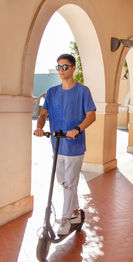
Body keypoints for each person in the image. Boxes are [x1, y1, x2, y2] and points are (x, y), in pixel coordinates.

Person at [34, 53, 96, 235]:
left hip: (74, 147)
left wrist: (77, 129)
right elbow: (43, 114)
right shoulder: (52, 92)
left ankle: (66, 219)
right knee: (64, 182)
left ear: (73, 68)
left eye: (65, 67)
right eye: (59, 67)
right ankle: (76, 213)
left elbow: (91, 115)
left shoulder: (83, 91)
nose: (61, 70)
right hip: (57, 144)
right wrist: (39, 127)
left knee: (70, 183)